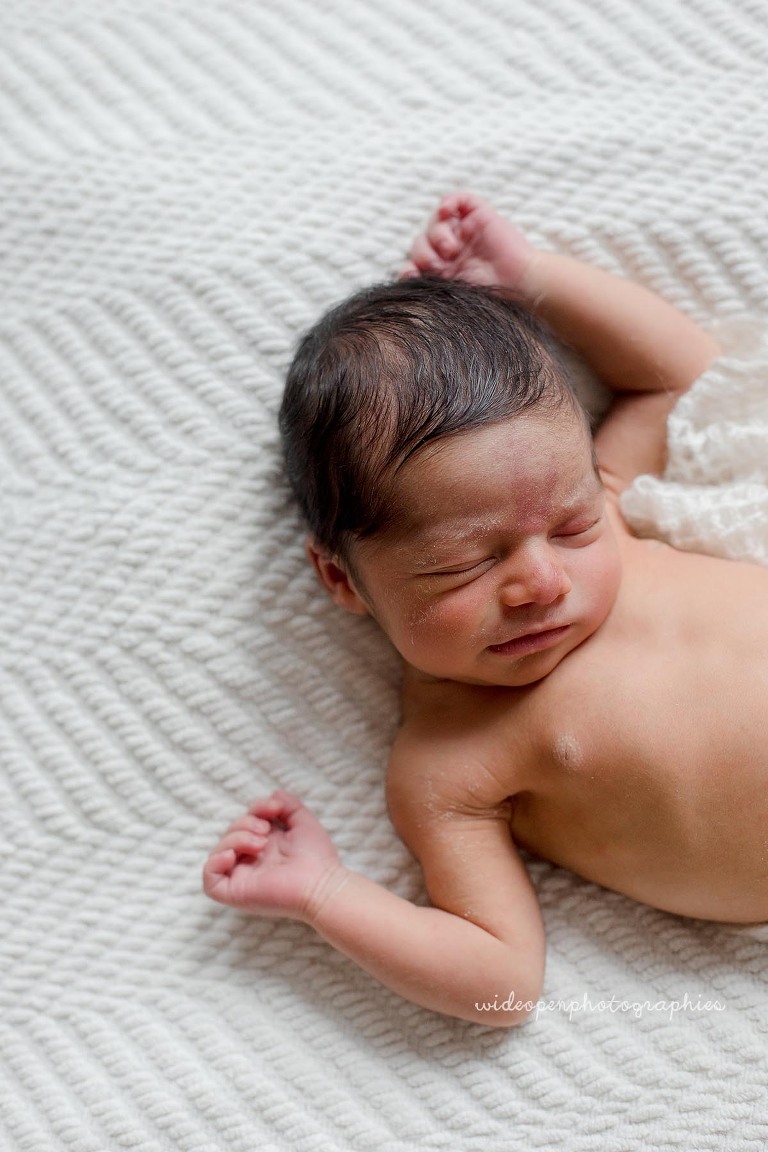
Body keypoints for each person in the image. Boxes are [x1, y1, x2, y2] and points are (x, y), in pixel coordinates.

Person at [203, 192, 768, 1026]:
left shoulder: (609, 507)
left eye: (569, 523)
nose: (540, 580)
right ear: (344, 581)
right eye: (465, 564)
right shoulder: (449, 764)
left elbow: (682, 379)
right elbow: (499, 982)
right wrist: (326, 893)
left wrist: (534, 278)